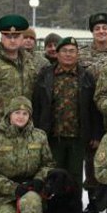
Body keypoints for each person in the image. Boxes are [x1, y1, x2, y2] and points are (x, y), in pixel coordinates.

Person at [32, 37, 98, 201]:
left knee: (74, 176)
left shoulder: (86, 76)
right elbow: (37, 104)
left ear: (77, 54)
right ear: (58, 54)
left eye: (72, 51)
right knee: (52, 175)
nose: (68, 55)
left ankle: (73, 211)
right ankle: (51, 210)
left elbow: (93, 108)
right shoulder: (46, 74)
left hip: (78, 136)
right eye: (64, 51)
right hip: (52, 135)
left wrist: (96, 134)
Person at [0, 14, 40, 133]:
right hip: (1, 126)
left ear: (22, 38)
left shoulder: (29, 61)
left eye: (16, 36)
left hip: (27, 126)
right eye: (8, 36)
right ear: (1, 37)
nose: (12, 40)